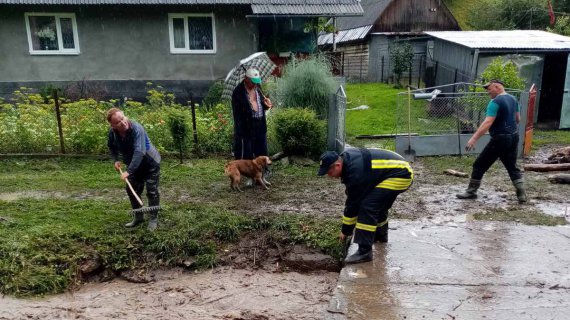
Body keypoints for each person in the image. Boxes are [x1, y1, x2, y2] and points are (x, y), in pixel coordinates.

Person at [317, 148, 414, 264]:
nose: (329, 176)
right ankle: (380, 236)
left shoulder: (355, 174)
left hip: (401, 174)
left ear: (337, 165)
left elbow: (353, 205)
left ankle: (364, 252)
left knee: (367, 206)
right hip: (392, 171)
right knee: (377, 203)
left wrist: (346, 231)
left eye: (329, 172)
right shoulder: (346, 159)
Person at [456, 79, 526, 203]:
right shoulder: (513, 99)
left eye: (489, 89)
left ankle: (471, 192)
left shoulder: (495, 102)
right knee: (512, 166)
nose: (488, 92)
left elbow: (487, 122)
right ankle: (522, 194)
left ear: (498, 86)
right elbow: (518, 119)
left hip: (500, 138)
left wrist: (473, 138)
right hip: (514, 136)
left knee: (479, 165)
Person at [107, 108, 162, 231]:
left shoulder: (137, 129)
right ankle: (138, 216)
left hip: (150, 164)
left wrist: (128, 171)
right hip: (133, 165)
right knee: (131, 190)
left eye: (122, 118)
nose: (123, 122)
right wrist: (116, 159)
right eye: (118, 122)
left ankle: (153, 219)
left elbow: (139, 152)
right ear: (112, 125)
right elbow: (111, 147)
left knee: (151, 191)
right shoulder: (113, 133)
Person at [231, 67, 273, 160]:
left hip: (260, 124)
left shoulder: (258, 88)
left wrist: (266, 105)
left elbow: (261, 104)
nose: (255, 83)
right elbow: (237, 114)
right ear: (246, 79)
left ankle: (263, 171)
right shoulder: (238, 93)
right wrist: (241, 130)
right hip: (247, 126)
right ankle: (246, 172)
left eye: (257, 81)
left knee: (262, 150)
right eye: (253, 81)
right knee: (247, 152)